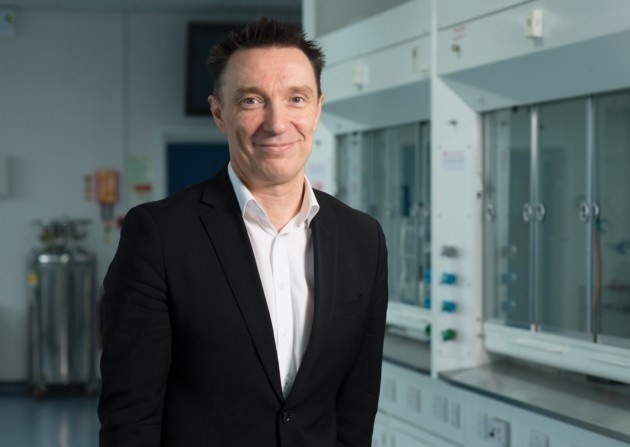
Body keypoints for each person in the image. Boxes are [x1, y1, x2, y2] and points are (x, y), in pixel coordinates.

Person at [98, 17, 388, 447]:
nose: (277, 123)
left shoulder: (362, 239)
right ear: (219, 113)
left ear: (318, 109)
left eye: (296, 99)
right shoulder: (159, 236)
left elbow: (357, 407)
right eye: (252, 101)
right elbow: (130, 419)